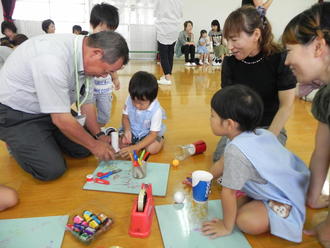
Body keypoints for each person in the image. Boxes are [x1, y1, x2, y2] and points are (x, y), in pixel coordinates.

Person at [0, 31, 129, 181]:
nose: (105, 75)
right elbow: (61, 118)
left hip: (51, 109)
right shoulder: (52, 59)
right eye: (107, 71)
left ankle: (43, 138)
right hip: (16, 113)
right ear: (96, 53)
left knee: (82, 150)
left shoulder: (84, 55)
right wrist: (94, 145)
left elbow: (87, 101)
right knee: (51, 169)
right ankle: (16, 141)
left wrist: (98, 136)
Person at [202, 85, 309, 243]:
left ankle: (284, 213)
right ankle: (258, 200)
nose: (210, 119)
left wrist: (226, 226)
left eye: (212, 116)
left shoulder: (235, 151)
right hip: (290, 183)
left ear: (229, 124)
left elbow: (228, 193)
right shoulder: (258, 134)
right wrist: (204, 178)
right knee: (235, 206)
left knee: (245, 221)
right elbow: (221, 164)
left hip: (284, 196)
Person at [211, 5, 296, 181]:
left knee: (262, 170)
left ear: (256, 35)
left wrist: (267, 141)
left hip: (269, 127)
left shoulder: (279, 58)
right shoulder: (230, 63)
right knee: (225, 165)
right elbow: (228, 106)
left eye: (234, 39)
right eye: (228, 40)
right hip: (239, 128)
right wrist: (235, 136)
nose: (230, 46)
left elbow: (287, 106)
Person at [282, 3, 330, 247]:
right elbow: (322, 150)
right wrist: (312, 196)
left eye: (290, 50)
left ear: (318, 46)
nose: (287, 60)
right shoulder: (325, 94)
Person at [119, 71, 166, 159]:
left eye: (141, 103)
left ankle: (161, 140)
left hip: (149, 134)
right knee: (122, 144)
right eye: (134, 101)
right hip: (133, 131)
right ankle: (138, 144)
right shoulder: (129, 99)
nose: (137, 105)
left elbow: (152, 134)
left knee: (152, 149)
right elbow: (125, 117)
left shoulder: (156, 110)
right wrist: (127, 131)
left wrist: (135, 147)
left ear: (152, 99)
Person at [89, 3, 120, 127]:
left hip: (105, 88)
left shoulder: (111, 45)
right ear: (92, 25)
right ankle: (91, 131)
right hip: (89, 89)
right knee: (88, 114)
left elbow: (112, 65)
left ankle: (98, 129)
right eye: (102, 31)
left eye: (110, 32)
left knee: (105, 115)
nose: (105, 36)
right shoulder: (88, 43)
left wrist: (115, 78)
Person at [154, 0, 183, 85]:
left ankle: (167, 78)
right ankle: (168, 75)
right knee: (170, 53)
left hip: (163, 28)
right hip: (174, 29)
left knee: (164, 54)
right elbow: (181, 14)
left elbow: (155, 12)